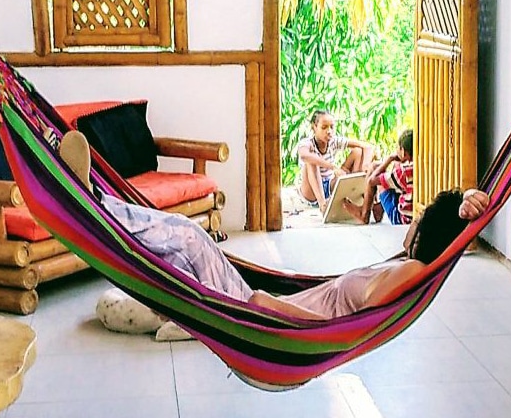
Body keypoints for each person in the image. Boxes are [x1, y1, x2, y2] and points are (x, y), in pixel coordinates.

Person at [59, 130, 489, 324]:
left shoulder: (411, 272)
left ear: (426, 233)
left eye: (421, 217)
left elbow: (336, 322)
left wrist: (270, 306)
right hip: (266, 304)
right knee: (182, 242)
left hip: (260, 312)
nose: (411, 222)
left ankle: (93, 206)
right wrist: (466, 195)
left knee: (187, 237)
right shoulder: (406, 266)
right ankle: (97, 205)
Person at [297, 109, 374, 213]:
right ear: (314, 127)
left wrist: (365, 167)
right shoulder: (307, 143)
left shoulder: (334, 141)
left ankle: (354, 193)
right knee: (312, 160)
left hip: (329, 185)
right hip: (311, 192)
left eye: (332, 127)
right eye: (324, 128)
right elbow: (304, 156)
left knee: (358, 152)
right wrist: (333, 167)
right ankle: (323, 205)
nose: (329, 131)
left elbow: (368, 147)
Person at [344, 127, 413, 226]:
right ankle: (378, 208)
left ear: (403, 152)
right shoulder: (421, 168)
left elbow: (371, 181)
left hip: (402, 220)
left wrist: (389, 159)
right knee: (390, 174)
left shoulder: (404, 171)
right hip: (418, 218)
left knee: (375, 167)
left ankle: (364, 215)